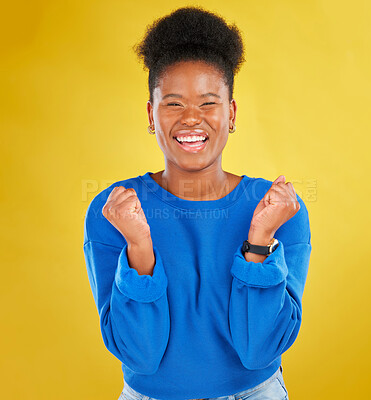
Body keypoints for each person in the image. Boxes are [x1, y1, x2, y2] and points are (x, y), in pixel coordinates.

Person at [83, 6, 312, 400]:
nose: (191, 119)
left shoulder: (278, 210)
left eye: (208, 103)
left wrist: (259, 239)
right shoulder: (114, 211)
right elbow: (140, 355)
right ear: (151, 115)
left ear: (232, 113)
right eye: (173, 104)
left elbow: (258, 350)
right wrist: (139, 248)